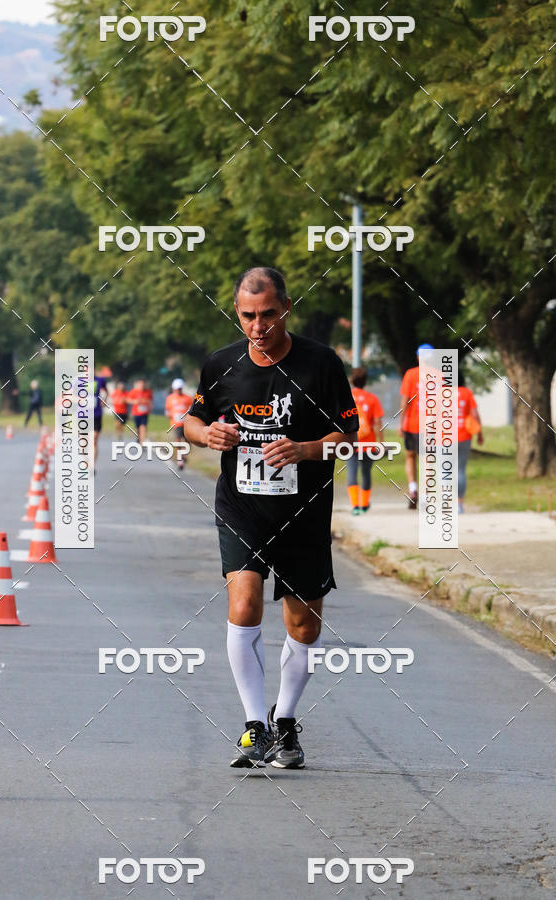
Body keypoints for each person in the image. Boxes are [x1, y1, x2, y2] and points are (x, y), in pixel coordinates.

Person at [184, 266, 359, 770]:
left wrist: (306, 448)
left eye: (266, 315)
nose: (257, 326)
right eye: (246, 316)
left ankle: (285, 720)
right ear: (237, 313)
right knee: (243, 605)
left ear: (285, 308)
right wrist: (206, 435)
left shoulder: (321, 363)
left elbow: (349, 436)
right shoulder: (222, 363)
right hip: (242, 506)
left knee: (303, 623)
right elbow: (191, 420)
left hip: (304, 510)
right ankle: (253, 725)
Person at [399, 343, 434, 509]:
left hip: (412, 425)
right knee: (427, 460)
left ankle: (413, 489)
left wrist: (401, 423)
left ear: (418, 357)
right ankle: (426, 495)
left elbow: (405, 400)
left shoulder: (410, 374)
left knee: (410, 456)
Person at [346, 367, 384, 514]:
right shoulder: (372, 399)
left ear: (351, 380)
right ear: (366, 381)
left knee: (351, 474)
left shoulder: (346, 396)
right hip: (368, 444)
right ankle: (364, 504)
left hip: (349, 443)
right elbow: (378, 423)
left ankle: (355, 506)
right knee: (366, 473)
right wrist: (381, 442)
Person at [457, 370, 483, 514]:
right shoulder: (467, 393)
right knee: (460, 470)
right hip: (464, 436)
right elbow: (475, 414)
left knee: (445, 471)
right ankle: (459, 504)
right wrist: (480, 434)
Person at [165, 378, 193, 469]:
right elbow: (167, 410)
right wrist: (168, 414)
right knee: (178, 441)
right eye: (177, 389)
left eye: (180, 388)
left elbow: (192, 410)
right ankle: (179, 459)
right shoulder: (170, 398)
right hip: (176, 423)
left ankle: (184, 455)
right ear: (173, 389)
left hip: (186, 423)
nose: (178, 390)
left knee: (188, 441)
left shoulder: (188, 398)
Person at [127, 378, 153, 444]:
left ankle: (142, 442)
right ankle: (138, 437)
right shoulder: (134, 391)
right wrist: (134, 401)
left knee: (143, 427)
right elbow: (128, 399)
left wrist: (150, 407)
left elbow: (151, 401)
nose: (142, 386)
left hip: (144, 413)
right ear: (138, 385)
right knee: (137, 429)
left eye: (143, 384)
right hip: (136, 413)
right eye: (141, 384)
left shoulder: (148, 392)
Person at [93, 369, 109, 470]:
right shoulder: (78, 381)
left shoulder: (100, 380)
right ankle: (85, 462)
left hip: (96, 414)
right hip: (83, 415)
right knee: (84, 442)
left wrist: (104, 400)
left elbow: (106, 391)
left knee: (94, 439)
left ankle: (92, 465)